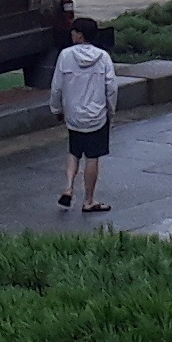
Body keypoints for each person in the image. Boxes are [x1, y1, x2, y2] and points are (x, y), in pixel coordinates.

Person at [52, 16, 118, 214]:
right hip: (96, 115)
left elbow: (57, 87)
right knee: (92, 157)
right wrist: (110, 109)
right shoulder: (103, 57)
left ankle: (68, 187)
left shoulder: (65, 55)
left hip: (73, 114)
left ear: (79, 35)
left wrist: (57, 109)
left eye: (73, 31)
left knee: (74, 152)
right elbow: (112, 87)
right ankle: (89, 200)